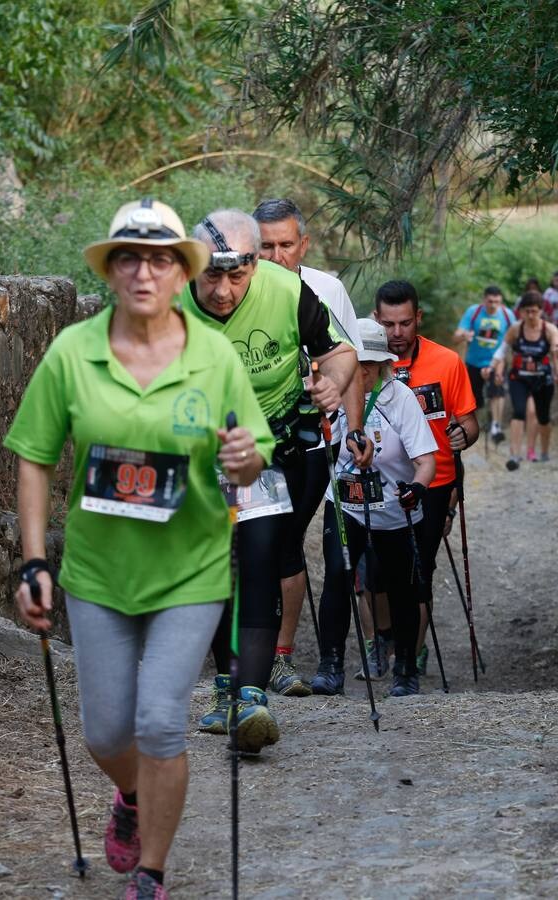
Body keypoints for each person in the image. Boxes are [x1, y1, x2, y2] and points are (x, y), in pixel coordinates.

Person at [6, 199, 274, 899]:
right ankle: (131, 794)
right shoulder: (73, 352)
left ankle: (151, 873)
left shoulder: (213, 357)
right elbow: (34, 457)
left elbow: (252, 454)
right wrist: (34, 562)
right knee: (105, 732)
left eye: (160, 258)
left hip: (191, 571)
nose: (145, 271)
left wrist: (244, 457)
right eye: (130, 256)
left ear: (181, 270)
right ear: (112, 269)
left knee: (160, 723)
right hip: (97, 575)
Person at [177, 209, 371, 749]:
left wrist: (332, 384)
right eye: (210, 276)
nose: (222, 291)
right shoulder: (168, 303)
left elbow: (340, 351)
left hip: (275, 444)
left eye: (237, 276)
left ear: (255, 267)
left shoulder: (287, 291)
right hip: (199, 448)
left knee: (260, 555)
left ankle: (250, 699)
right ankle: (223, 685)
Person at [252, 197, 364, 697]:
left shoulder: (326, 289)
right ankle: (249, 652)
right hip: (251, 440)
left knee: (283, 538)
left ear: (304, 243)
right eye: (265, 246)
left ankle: (278, 655)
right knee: (255, 542)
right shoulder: (236, 288)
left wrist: (353, 427)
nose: (276, 255)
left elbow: (350, 358)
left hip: (315, 439)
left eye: (285, 245)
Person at [311, 317, 438, 697]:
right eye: (354, 363)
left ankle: (404, 669)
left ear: (379, 365)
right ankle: (330, 666)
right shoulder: (333, 396)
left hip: (395, 509)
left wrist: (417, 487)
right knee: (337, 575)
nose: (358, 372)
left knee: (400, 586)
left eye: (366, 366)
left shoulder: (399, 399)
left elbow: (426, 460)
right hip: (346, 504)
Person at [374, 280, 479, 675]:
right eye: (388, 324)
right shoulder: (365, 363)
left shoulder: (447, 362)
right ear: (376, 320)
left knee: (419, 571)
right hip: (380, 483)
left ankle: (411, 656)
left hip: (432, 484)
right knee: (376, 573)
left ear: (418, 318)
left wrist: (462, 434)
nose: (397, 334)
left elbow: (469, 422)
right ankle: (385, 639)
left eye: (404, 323)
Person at [493, 291, 558, 470]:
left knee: (542, 417)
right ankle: (515, 456)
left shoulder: (549, 329)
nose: (531, 315)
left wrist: (557, 352)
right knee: (518, 412)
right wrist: (496, 370)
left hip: (542, 379)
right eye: (527, 312)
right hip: (519, 378)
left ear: (541, 311)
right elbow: (502, 351)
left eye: (534, 311)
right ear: (521, 312)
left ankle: (544, 451)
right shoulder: (516, 329)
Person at [453, 285, 516, 445]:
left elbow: (514, 337)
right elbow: (456, 336)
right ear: (484, 300)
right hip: (474, 362)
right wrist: (464, 335)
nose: (493, 305)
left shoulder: (507, 315)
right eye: (490, 301)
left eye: (497, 301)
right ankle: (478, 424)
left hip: (497, 361)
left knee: (497, 391)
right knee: (475, 397)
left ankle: (496, 425)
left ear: (501, 301)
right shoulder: (473, 312)